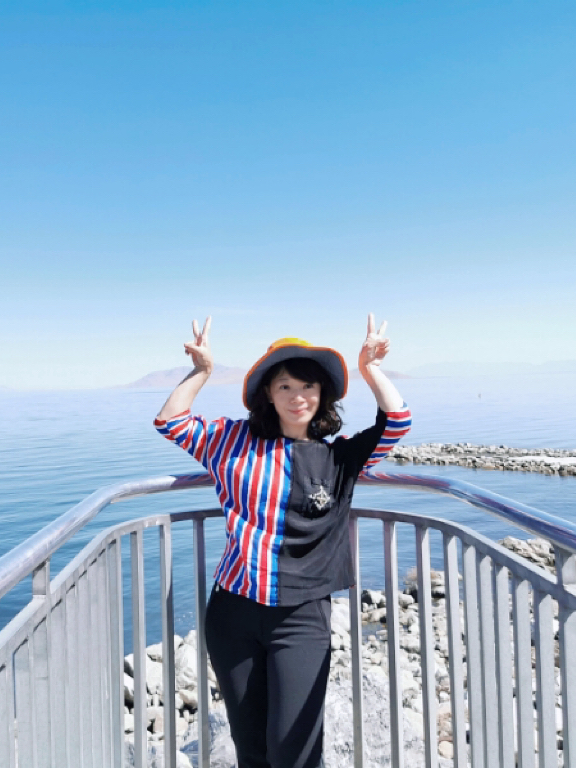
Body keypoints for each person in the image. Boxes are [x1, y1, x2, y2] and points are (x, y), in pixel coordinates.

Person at [154, 314, 411, 768]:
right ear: (269, 395)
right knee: (251, 748)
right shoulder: (231, 441)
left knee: (295, 750)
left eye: (308, 386)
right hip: (233, 612)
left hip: (302, 616)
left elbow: (397, 421)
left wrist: (370, 369)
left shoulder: (340, 458)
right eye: (285, 386)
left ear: (322, 394)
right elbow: (171, 421)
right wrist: (201, 372)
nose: (298, 397)